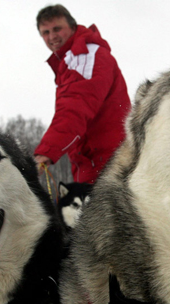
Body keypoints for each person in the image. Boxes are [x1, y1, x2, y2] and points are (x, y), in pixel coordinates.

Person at [34, 4, 131, 184]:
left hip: (108, 162)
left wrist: (46, 152)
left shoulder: (83, 55)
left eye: (57, 29)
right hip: (92, 162)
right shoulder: (71, 59)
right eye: (45, 33)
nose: (52, 37)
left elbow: (75, 108)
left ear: (72, 27)